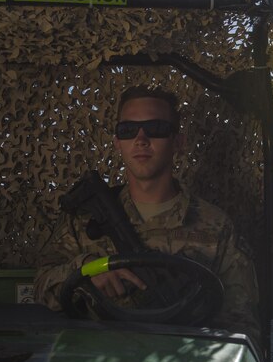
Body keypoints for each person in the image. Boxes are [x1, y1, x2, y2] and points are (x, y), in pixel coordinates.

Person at [34, 85, 260, 340]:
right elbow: (41, 288)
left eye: (156, 128)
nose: (141, 139)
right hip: (96, 357)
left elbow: (241, 324)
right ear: (118, 142)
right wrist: (87, 270)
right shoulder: (83, 220)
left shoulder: (215, 227)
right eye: (128, 130)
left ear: (178, 142)